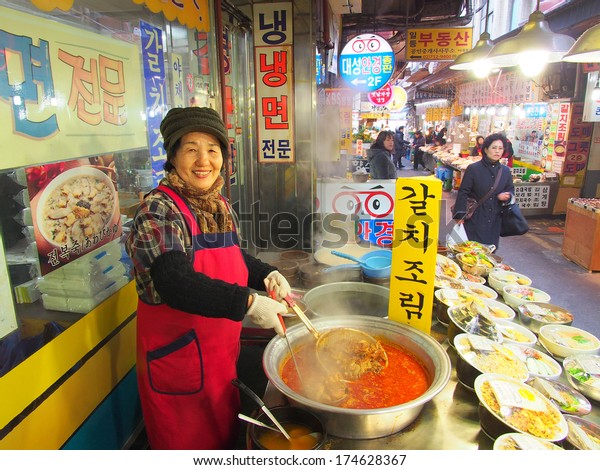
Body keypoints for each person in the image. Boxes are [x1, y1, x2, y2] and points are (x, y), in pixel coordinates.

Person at [125, 107, 291, 450]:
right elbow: (174, 281)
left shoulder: (218, 204)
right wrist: (247, 303)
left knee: (224, 443)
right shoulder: (157, 210)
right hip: (178, 364)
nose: (204, 160)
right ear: (173, 157)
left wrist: (265, 275)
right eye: (191, 149)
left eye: (213, 150)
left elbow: (231, 255)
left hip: (220, 360)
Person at [452, 133, 514, 247]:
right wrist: (459, 215)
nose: (497, 151)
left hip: (494, 219)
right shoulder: (474, 169)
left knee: (489, 251)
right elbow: (463, 192)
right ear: (485, 149)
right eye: (494, 148)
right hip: (475, 217)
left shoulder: (505, 171)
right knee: (469, 250)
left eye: (500, 148)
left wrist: (506, 196)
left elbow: (510, 190)